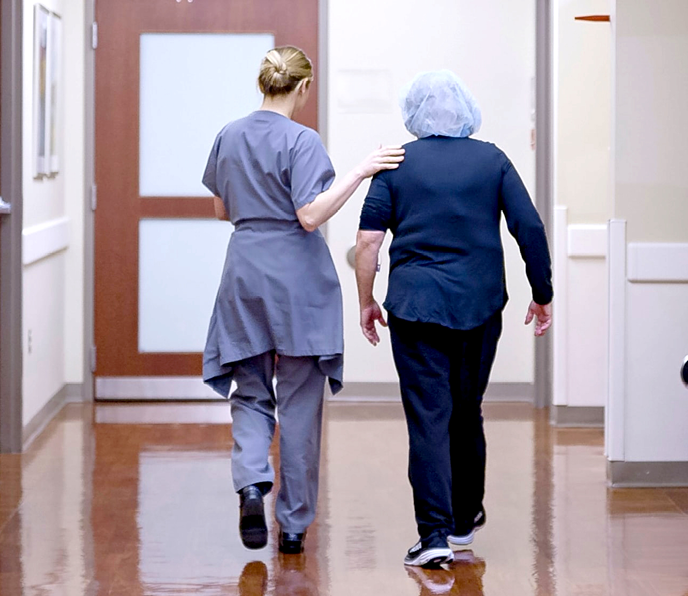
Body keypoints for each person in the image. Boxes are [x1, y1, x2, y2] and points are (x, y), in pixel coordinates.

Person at [202, 46, 405, 555]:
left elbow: (221, 208)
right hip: (297, 281)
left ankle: (251, 483)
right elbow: (310, 216)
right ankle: (291, 528)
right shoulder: (303, 140)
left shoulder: (229, 134)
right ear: (303, 88)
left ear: (263, 84)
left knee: (249, 392)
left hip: (244, 273)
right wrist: (358, 172)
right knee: (298, 406)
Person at [353, 70, 553, 568]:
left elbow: (368, 243)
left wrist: (366, 299)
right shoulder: (492, 159)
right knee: (468, 410)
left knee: (428, 417)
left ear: (414, 112)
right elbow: (528, 226)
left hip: (416, 309)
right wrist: (542, 293)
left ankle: (435, 534)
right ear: (467, 108)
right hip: (480, 306)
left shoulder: (396, 163)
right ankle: (464, 519)